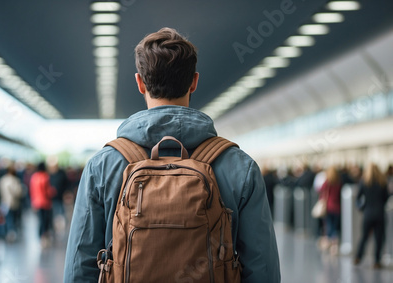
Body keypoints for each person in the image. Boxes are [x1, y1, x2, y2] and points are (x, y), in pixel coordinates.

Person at [64, 27, 280, 282]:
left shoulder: (103, 166)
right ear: (194, 82)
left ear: (140, 83)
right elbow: (262, 268)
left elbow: (80, 265)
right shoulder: (239, 166)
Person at [354, 163, 390, 268]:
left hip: (368, 213)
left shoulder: (364, 182)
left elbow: (358, 198)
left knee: (364, 237)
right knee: (379, 238)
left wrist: (362, 208)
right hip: (380, 214)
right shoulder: (382, 182)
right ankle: (376, 261)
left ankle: (358, 257)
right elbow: (386, 198)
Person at [29, 162, 56, 248]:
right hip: (45, 202)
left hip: (36, 202)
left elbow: (31, 190)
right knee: (45, 220)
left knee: (40, 220)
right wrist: (53, 192)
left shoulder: (34, 177)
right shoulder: (45, 176)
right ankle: (45, 237)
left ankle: (40, 237)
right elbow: (47, 191)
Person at [318, 166, 343, 255]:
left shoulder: (327, 182)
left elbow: (320, 190)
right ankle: (334, 245)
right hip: (337, 207)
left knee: (329, 225)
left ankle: (329, 242)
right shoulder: (339, 183)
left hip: (328, 207)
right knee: (335, 226)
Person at [0, 164, 23, 242]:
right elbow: (18, 192)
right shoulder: (15, 180)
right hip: (13, 203)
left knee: (6, 219)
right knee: (12, 219)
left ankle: (6, 232)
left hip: (4, 203)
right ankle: (11, 233)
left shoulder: (2, 180)